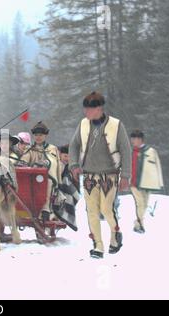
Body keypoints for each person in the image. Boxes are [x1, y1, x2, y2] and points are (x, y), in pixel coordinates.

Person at [69, 91, 131, 259]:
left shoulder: (116, 125)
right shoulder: (83, 124)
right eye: (85, 109)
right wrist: (74, 165)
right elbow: (74, 145)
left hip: (109, 175)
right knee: (91, 212)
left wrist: (125, 175)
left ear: (99, 109)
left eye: (89, 109)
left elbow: (126, 150)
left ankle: (115, 234)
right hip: (89, 176)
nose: (86, 112)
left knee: (106, 209)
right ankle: (98, 245)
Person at [21, 121, 61, 222]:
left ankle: (45, 210)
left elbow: (53, 161)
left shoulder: (52, 148)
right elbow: (24, 159)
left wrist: (45, 163)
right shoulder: (29, 149)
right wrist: (23, 163)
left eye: (41, 135)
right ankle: (23, 209)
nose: (38, 137)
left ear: (46, 135)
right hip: (31, 176)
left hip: (46, 177)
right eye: (36, 135)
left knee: (48, 182)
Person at [130, 129, 164, 233]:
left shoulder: (151, 151)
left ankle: (139, 224)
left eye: (134, 139)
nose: (132, 141)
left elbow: (157, 166)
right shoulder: (131, 152)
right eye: (132, 139)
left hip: (147, 183)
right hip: (134, 183)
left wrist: (159, 183)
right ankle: (138, 225)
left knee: (144, 205)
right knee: (140, 203)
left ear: (140, 139)